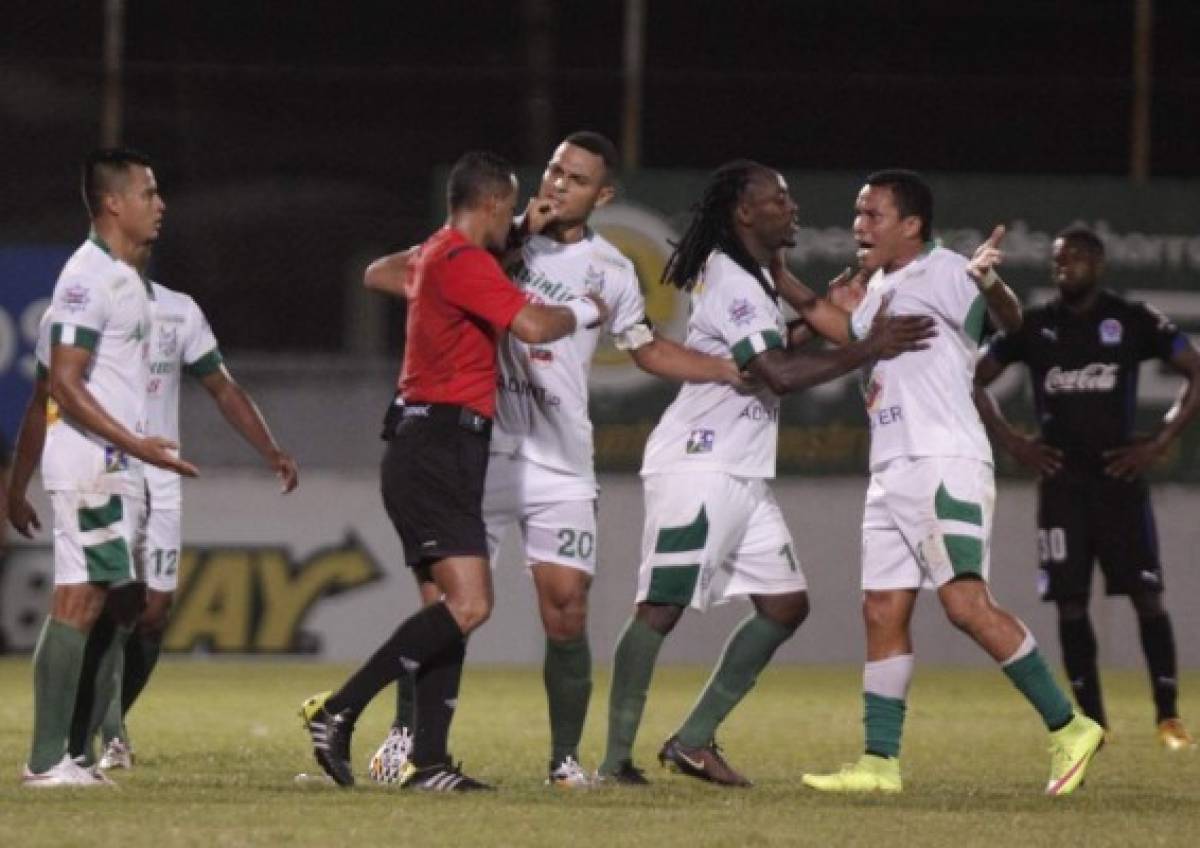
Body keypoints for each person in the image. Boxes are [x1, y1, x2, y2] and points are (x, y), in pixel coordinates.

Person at [362, 132, 748, 788]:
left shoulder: (613, 270)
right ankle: (409, 742)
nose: (557, 184)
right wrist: (511, 234)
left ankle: (565, 760)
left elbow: (647, 349)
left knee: (566, 606)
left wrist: (725, 370)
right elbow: (390, 274)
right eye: (553, 170)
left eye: (575, 178)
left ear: (603, 196)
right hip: (479, 449)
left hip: (560, 458)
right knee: (446, 606)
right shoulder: (490, 240)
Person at [596, 160, 934, 786]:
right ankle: (615, 760)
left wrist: (820, 313)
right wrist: (869, 345)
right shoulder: (734, 280)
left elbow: (767, 357)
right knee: (661, 607)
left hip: (741, 466)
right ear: (744, 213)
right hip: (701, 462)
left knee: (785, 605)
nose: (792, 208)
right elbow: (777, 374)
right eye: (779, 199)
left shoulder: (752, 275)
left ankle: (693, 741)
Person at [300, 150, 609, 792]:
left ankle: (428, 764)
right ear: (495, 204)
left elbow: (380, 273)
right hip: (438, 444)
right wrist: (586, 310)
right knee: (470, 604)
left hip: (439, 446)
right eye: (513, 208)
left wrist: (520, 232)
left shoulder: (441, 254)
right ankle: (340, 709)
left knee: (453, 606)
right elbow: (532, 323)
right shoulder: (464, 259)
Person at [799, 170, 1105, 797]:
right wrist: (823, 299)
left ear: (911, 224)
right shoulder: (880, 286)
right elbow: (830, 332)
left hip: (943, 462)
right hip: (890, 467)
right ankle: (880, 763)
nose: (860, 225)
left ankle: (1069, 725)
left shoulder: (943, 270)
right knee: (882, 609)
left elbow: (1010, 319)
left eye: (873, 214)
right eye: (858, 213)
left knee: (964, 603)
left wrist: (989, 279)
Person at [8, 255, 301, 770]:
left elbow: (222, 386)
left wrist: (270, 449)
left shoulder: (177, 311)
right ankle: (79, 743)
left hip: (160, 476)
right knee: (94, 597)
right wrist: (18, 482)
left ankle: (100, 726)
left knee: (147, 613)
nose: (158, 211)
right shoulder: (74, 306)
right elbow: (44, 397)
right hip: (104, 466)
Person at [973, 225, 1200, 751]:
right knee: (1070, 604)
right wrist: (1012, 441)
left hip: (1120, 479)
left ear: (1098, 264)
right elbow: (973, 377)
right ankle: (1092, 722)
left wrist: (1159, 440)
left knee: (1147, 596)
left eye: (1074, 258)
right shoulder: (1034, 325)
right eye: (1057, 260)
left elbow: (1194, 369)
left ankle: (1168, 717)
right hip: (1062, 485)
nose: (1063, 267)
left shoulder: (1131, 318)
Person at [19, 148, 196, 788]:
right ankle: (46, 761)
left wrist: (15, 485)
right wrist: (140, 444)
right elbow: (63, 387)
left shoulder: (120, 280)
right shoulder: (88, 278)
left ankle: (71, 753)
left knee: (110, 604)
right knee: (78, 600)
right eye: (149, 193)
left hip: (108, 460)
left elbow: (43, 387)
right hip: (94, 463)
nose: (160, 204)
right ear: (113, 203)